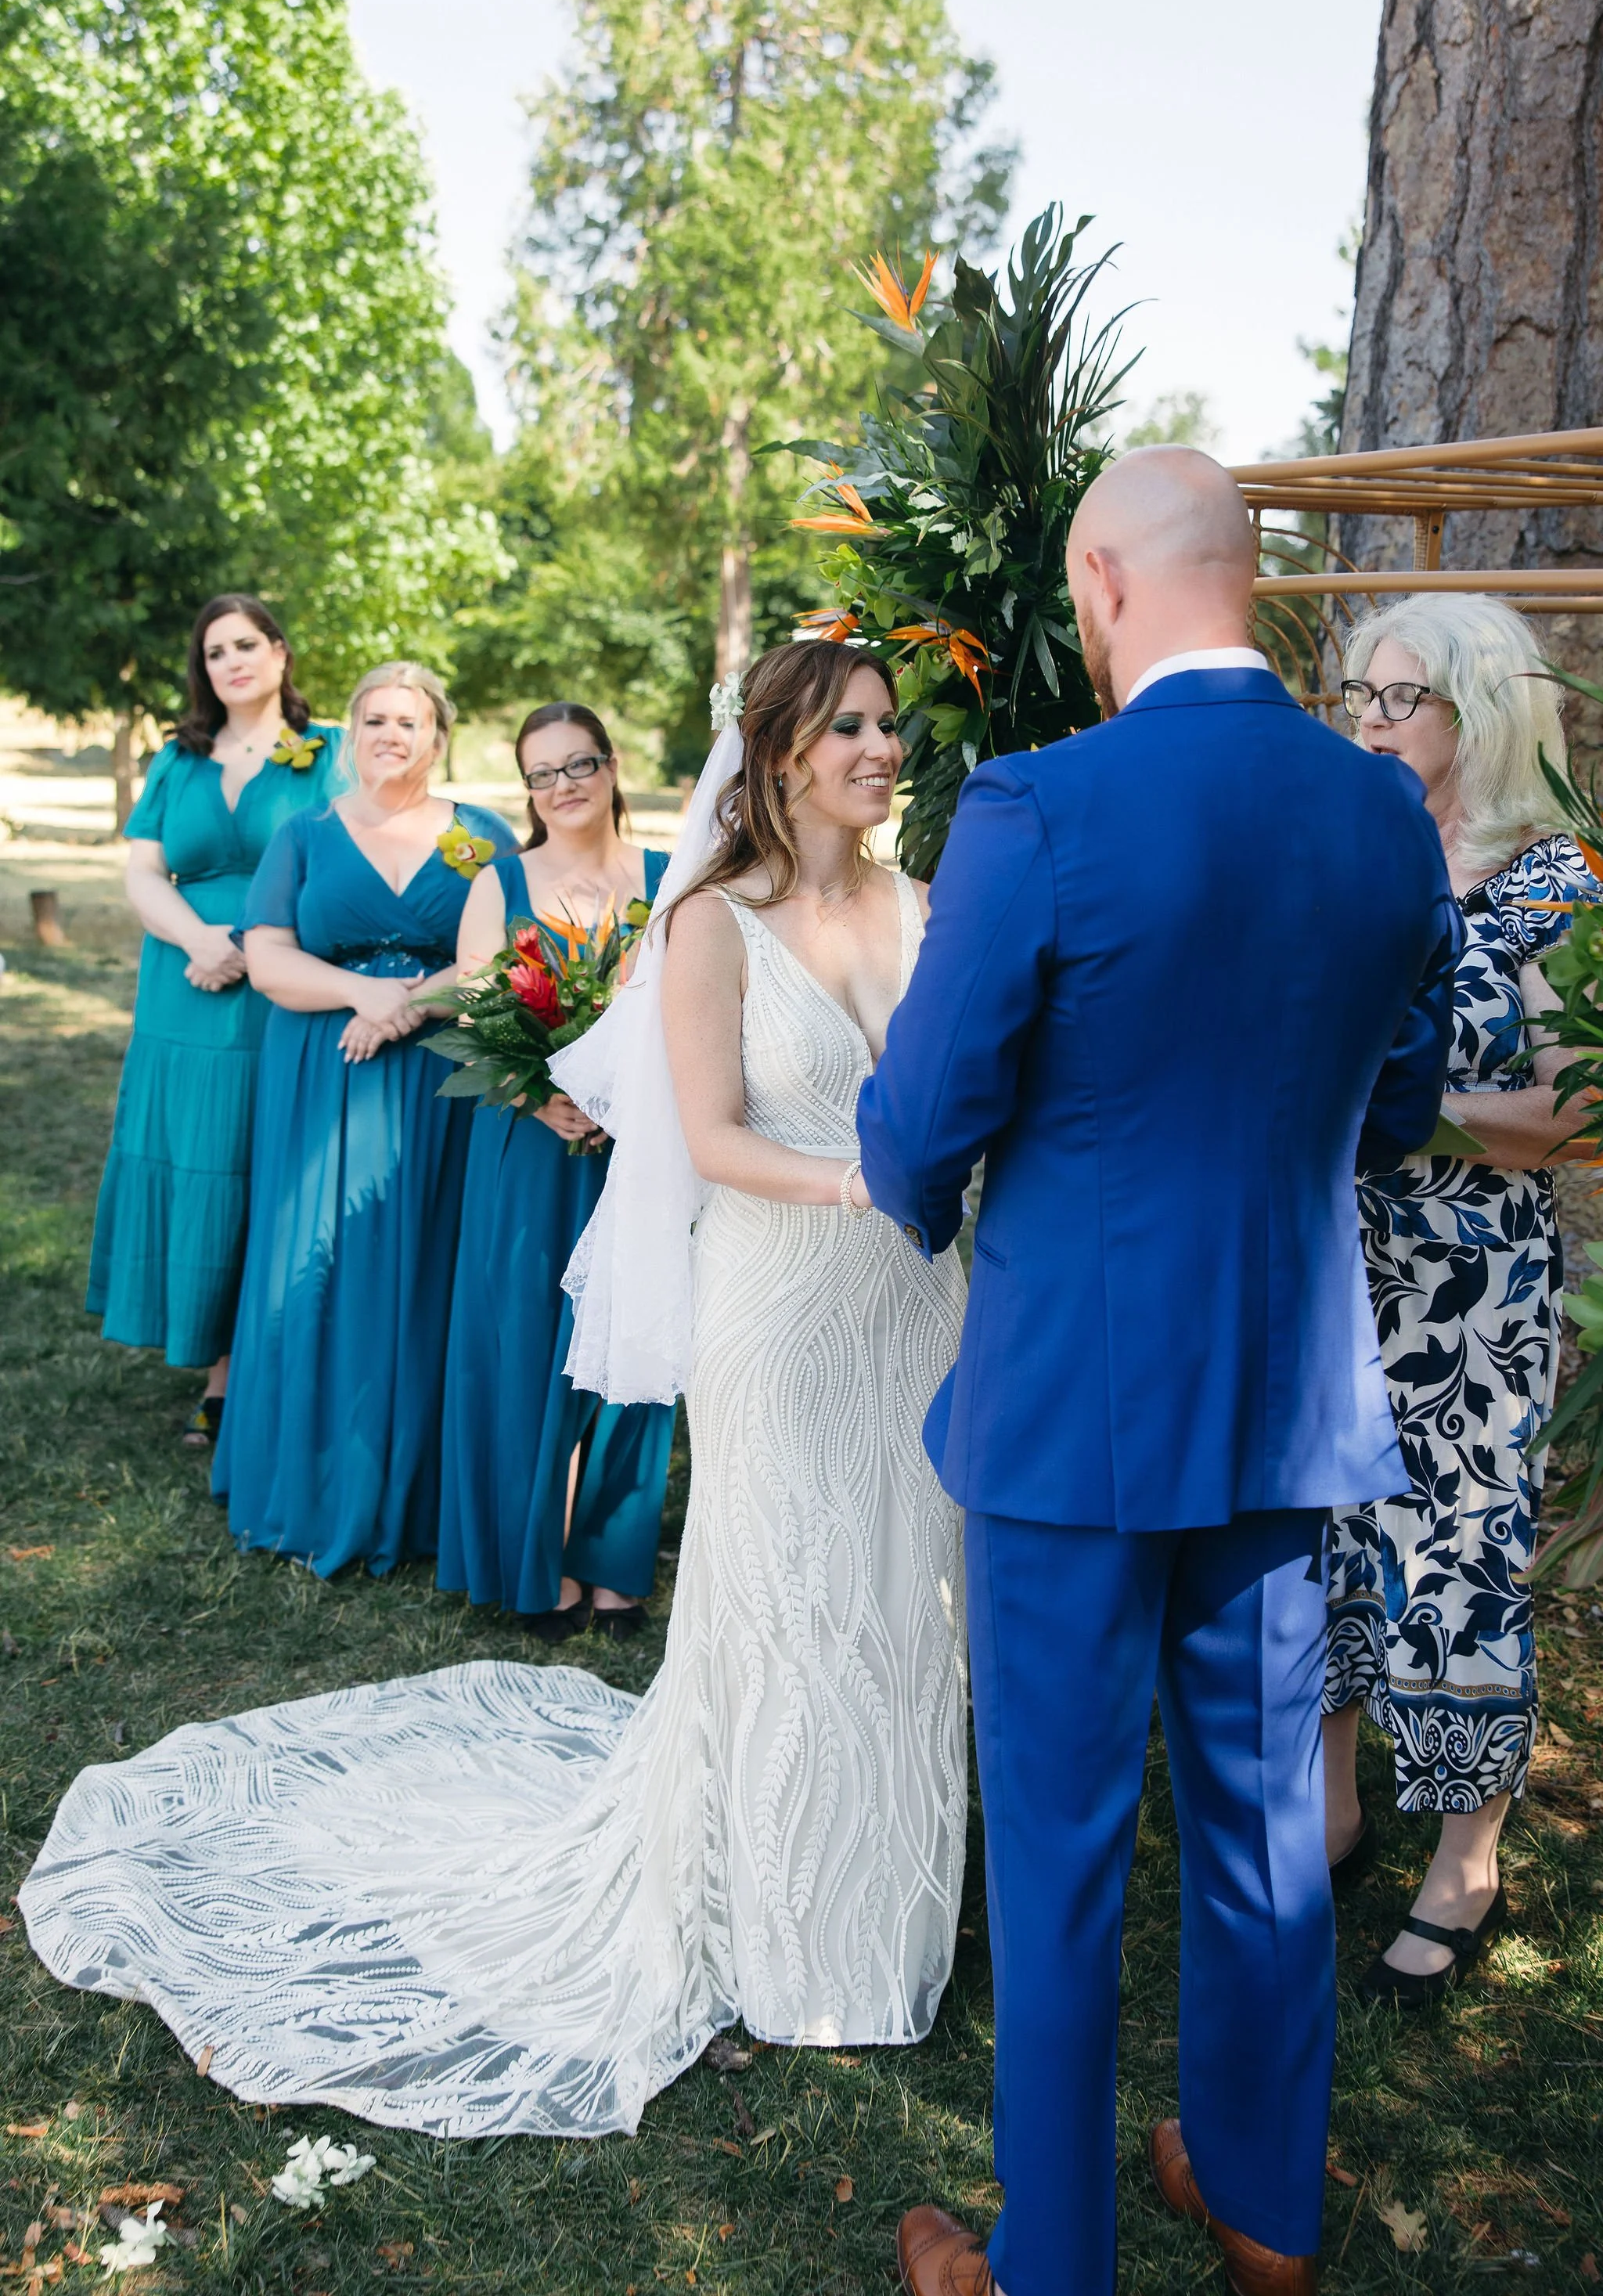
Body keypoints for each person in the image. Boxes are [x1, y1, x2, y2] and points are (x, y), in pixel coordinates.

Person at [20, 640, 967, 2142]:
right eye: (845, 726)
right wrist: (870, 1182)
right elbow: (713, 1140)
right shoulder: (715, 920)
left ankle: (882, 1903)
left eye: (885, 725)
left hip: (916, 1305)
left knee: (902, 1588)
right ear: (780, 757)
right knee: (790, 1592)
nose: (877, 746)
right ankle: (786, 1924)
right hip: (782, 1296)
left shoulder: (919, 905)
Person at [860, 447, 1461, 2296]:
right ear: (1245, 577)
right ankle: (1266, 2210)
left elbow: (916, 1131)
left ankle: (1045, 2263)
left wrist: (965, 1168)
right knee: (1266, 1833)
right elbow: (1402, 1103)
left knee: (1056, 1860)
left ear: (1102, 582)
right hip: (1278, 1403)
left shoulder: (1039, 805)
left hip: (1064, 1410)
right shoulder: (1380, 810)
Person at [1323, 593, 1598, 2008]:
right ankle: (1331, 1807)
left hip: (1470, 1288)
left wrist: (1405, 1112)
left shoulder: (1557, 883)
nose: (1368, 723)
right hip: (1334, 1261)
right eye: (1356, 698)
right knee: (1324, 1538)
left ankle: (1463, 1862)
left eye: (1396, 699)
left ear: (1476, 710)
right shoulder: (1359, 849)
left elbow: (1570, 1105)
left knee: (1456, 1559)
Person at [211, 661, 516, 1576]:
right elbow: (267, 960)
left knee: (424, 1267)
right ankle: (305, 1480)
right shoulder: (304, 835)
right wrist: (366, 995)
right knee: (314, 1262)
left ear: (438, 738)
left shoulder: (476, 837)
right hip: (321, 1075)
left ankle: (418, 1494)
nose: (391, 734)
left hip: (440, 1087)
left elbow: (499, 959)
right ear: (348, 733)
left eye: (410, 722)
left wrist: (413, 1005)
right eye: (374, 719)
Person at [438, 701, 675, 1638]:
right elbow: (474, 1009)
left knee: (634, 1344)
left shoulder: (667, 876)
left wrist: (635, 1100)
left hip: (641, 1149)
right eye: (541, 774)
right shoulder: (502, 880)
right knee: (533, 1343)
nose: (562, 786)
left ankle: (615, 1562)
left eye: (578, 765)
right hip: (531, 1146)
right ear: (527, 792)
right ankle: (541, 1560)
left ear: (611, 766)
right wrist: (540, 1096)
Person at [86, 595, 340, 1445]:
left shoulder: (327, 753)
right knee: (195, 1165)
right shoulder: (178, 759)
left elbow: (347, 860)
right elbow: (143, 873)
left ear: (279, 651)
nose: (230, 662)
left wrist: (258, 948)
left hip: (278, 991)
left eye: (245, 644)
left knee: (256, 1166)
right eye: (214, 651)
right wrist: (202, 939)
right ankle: (212, 1370)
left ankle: (260, 1373)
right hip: (183, 987)